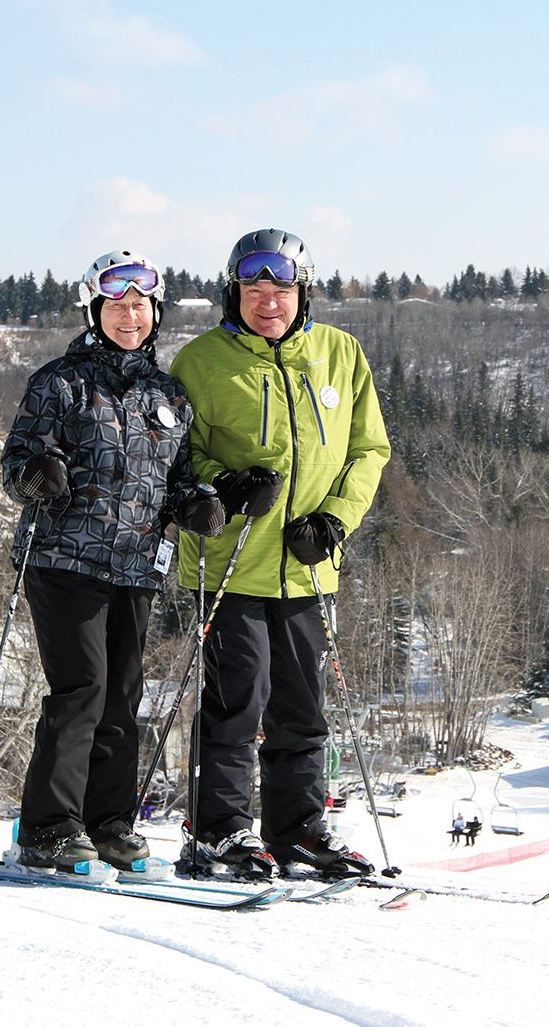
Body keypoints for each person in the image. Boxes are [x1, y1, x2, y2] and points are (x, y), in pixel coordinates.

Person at [170, 229, 391, 879]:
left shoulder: (339, 355)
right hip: (231, 563)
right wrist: (226, 484)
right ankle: (221, 834)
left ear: (303, 293)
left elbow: (368, 450)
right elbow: (179, 455)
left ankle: (298, 833)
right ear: (232, 292)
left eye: (282, 289)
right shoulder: (202, 361)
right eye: (254, 289)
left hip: (306, 566)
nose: (269, 302)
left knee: (303, 708)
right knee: (239, 701)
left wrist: (334, 521)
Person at [0, 250, 225, 872]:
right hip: (64, 558)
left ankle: (108, 822)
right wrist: (37, 476)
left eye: (141, 305)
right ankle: (49, 826)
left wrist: (197, 505)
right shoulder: (61, 382)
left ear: (156, 312)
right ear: (94, 310)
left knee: (123, 697)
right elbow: (16, 466)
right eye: (117, 304)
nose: (131, 315)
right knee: (82, 690)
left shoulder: (168, 395)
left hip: (136, 566)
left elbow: (178, 477)